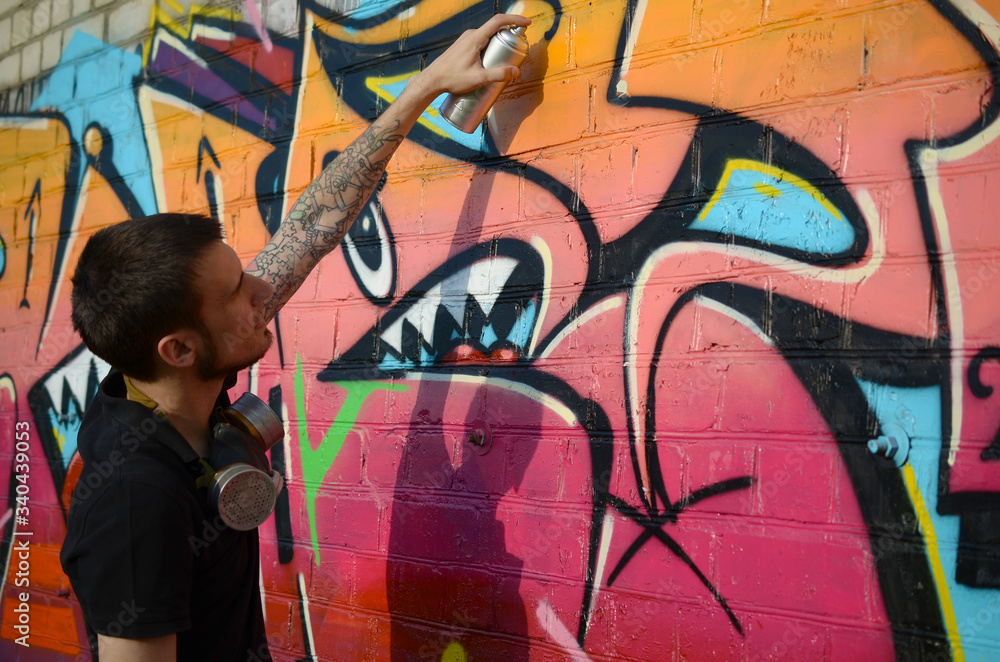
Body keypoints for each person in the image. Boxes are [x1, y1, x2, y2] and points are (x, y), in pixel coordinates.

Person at [59, 13, 531, 662]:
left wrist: (424, 88)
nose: (264, 289)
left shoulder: (175, 384)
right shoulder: (136, 504)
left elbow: (310, 229)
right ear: (180, 350)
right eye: (236, 291)